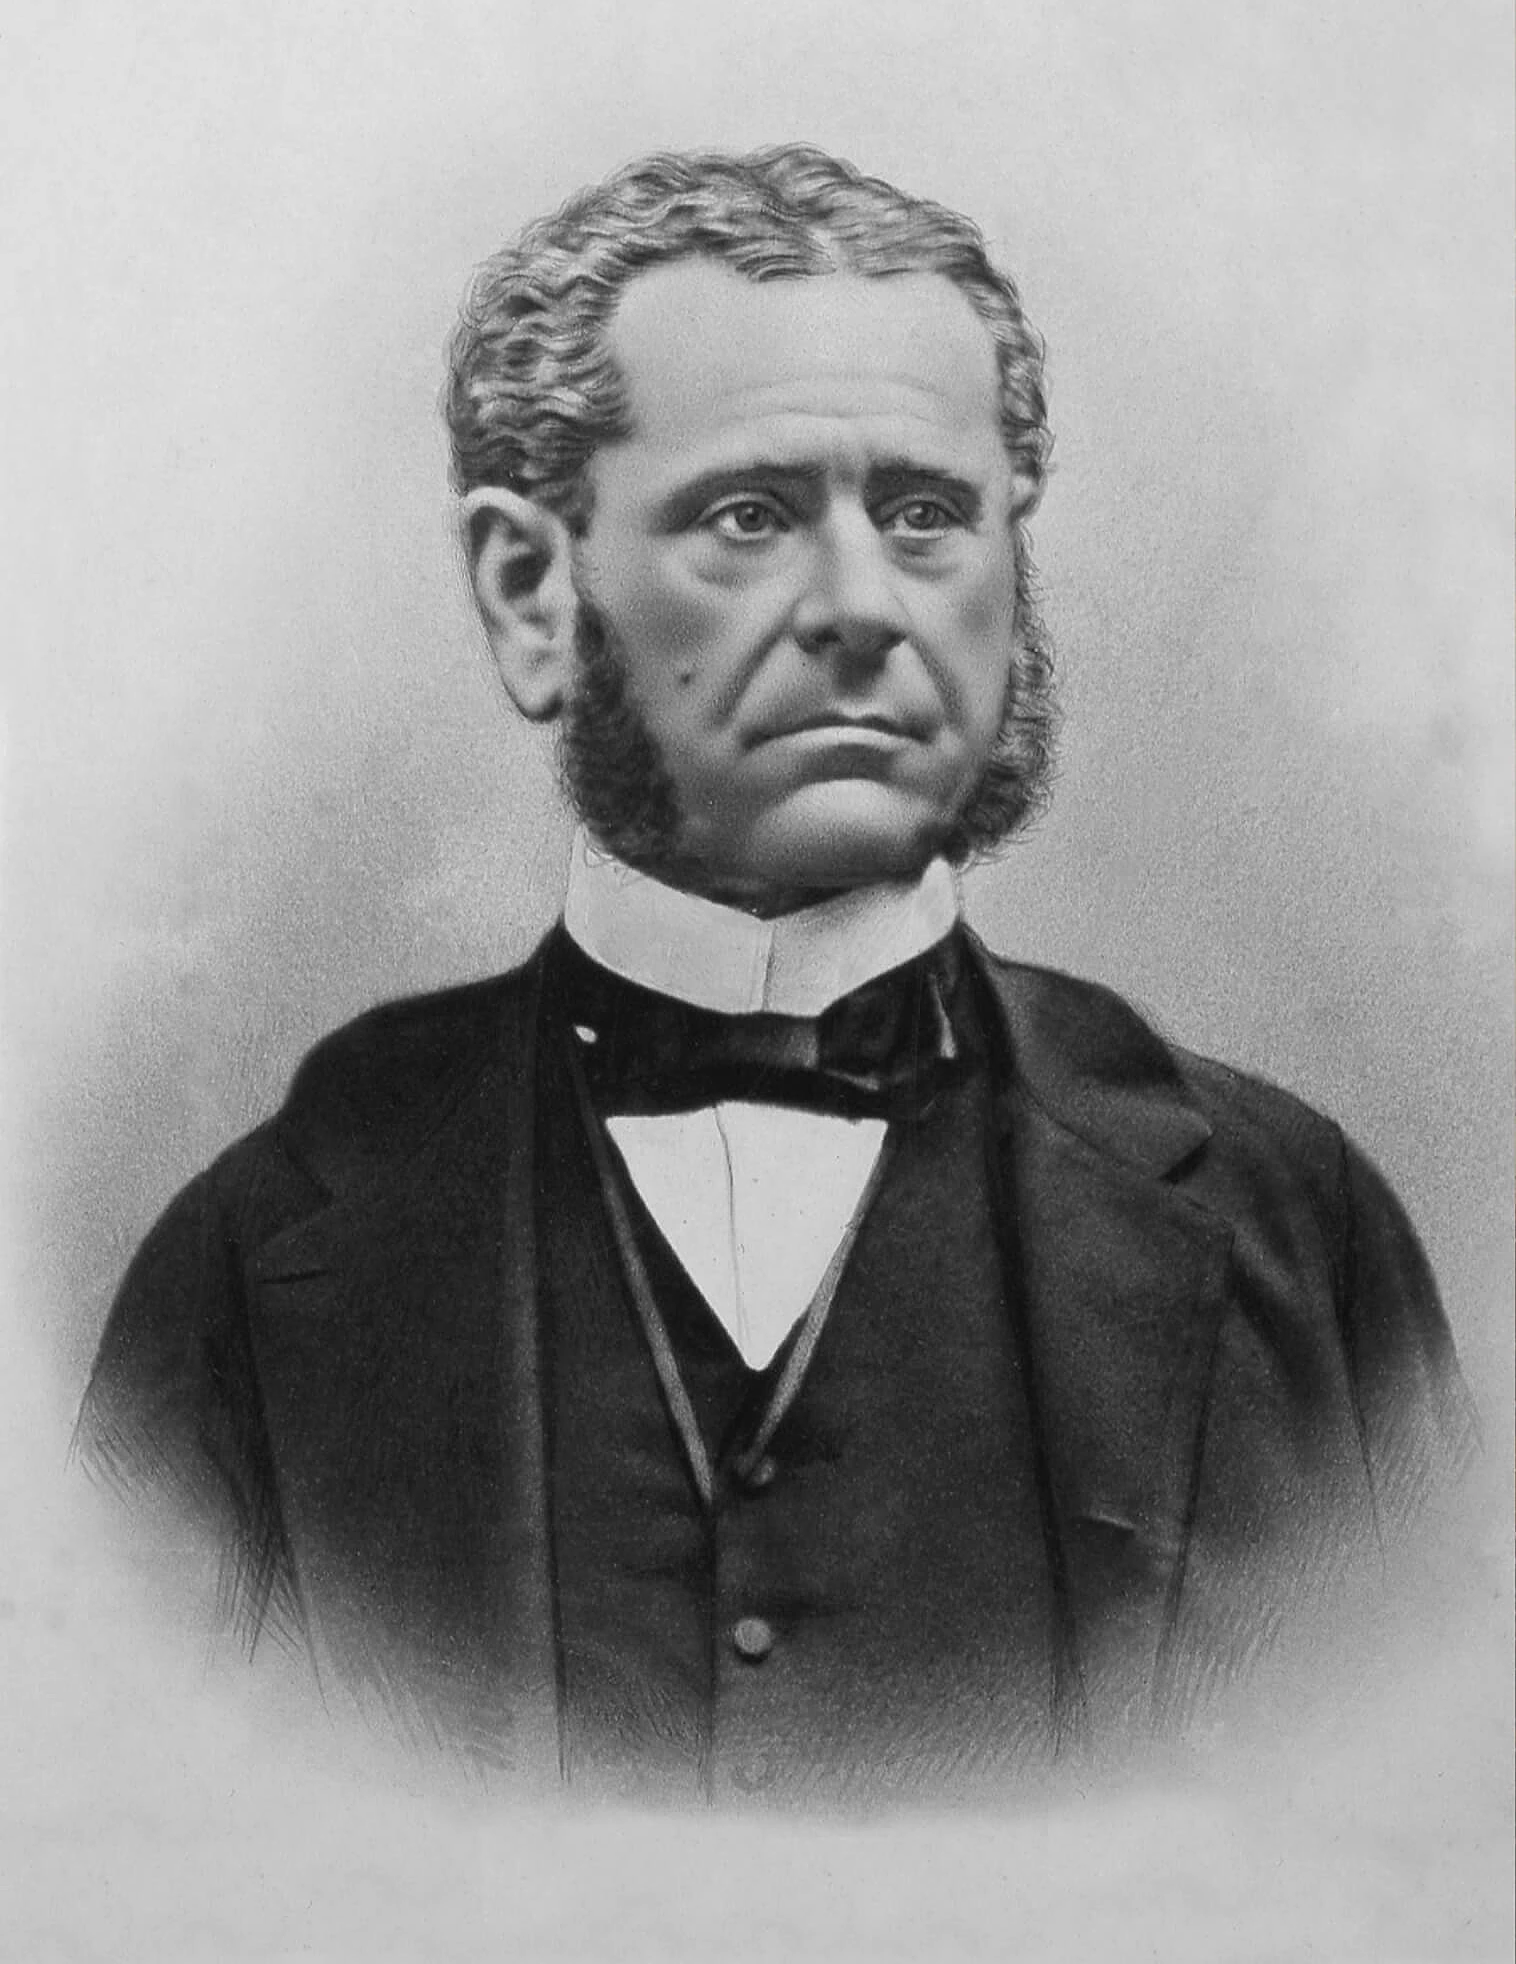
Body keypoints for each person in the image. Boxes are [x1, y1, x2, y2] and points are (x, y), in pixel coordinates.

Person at [78, 144, 1474, 1804]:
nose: (864, 608)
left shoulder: (1294, 1234)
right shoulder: (260, 1259)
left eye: (926, 514)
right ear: (531, 592)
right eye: (750, 517)